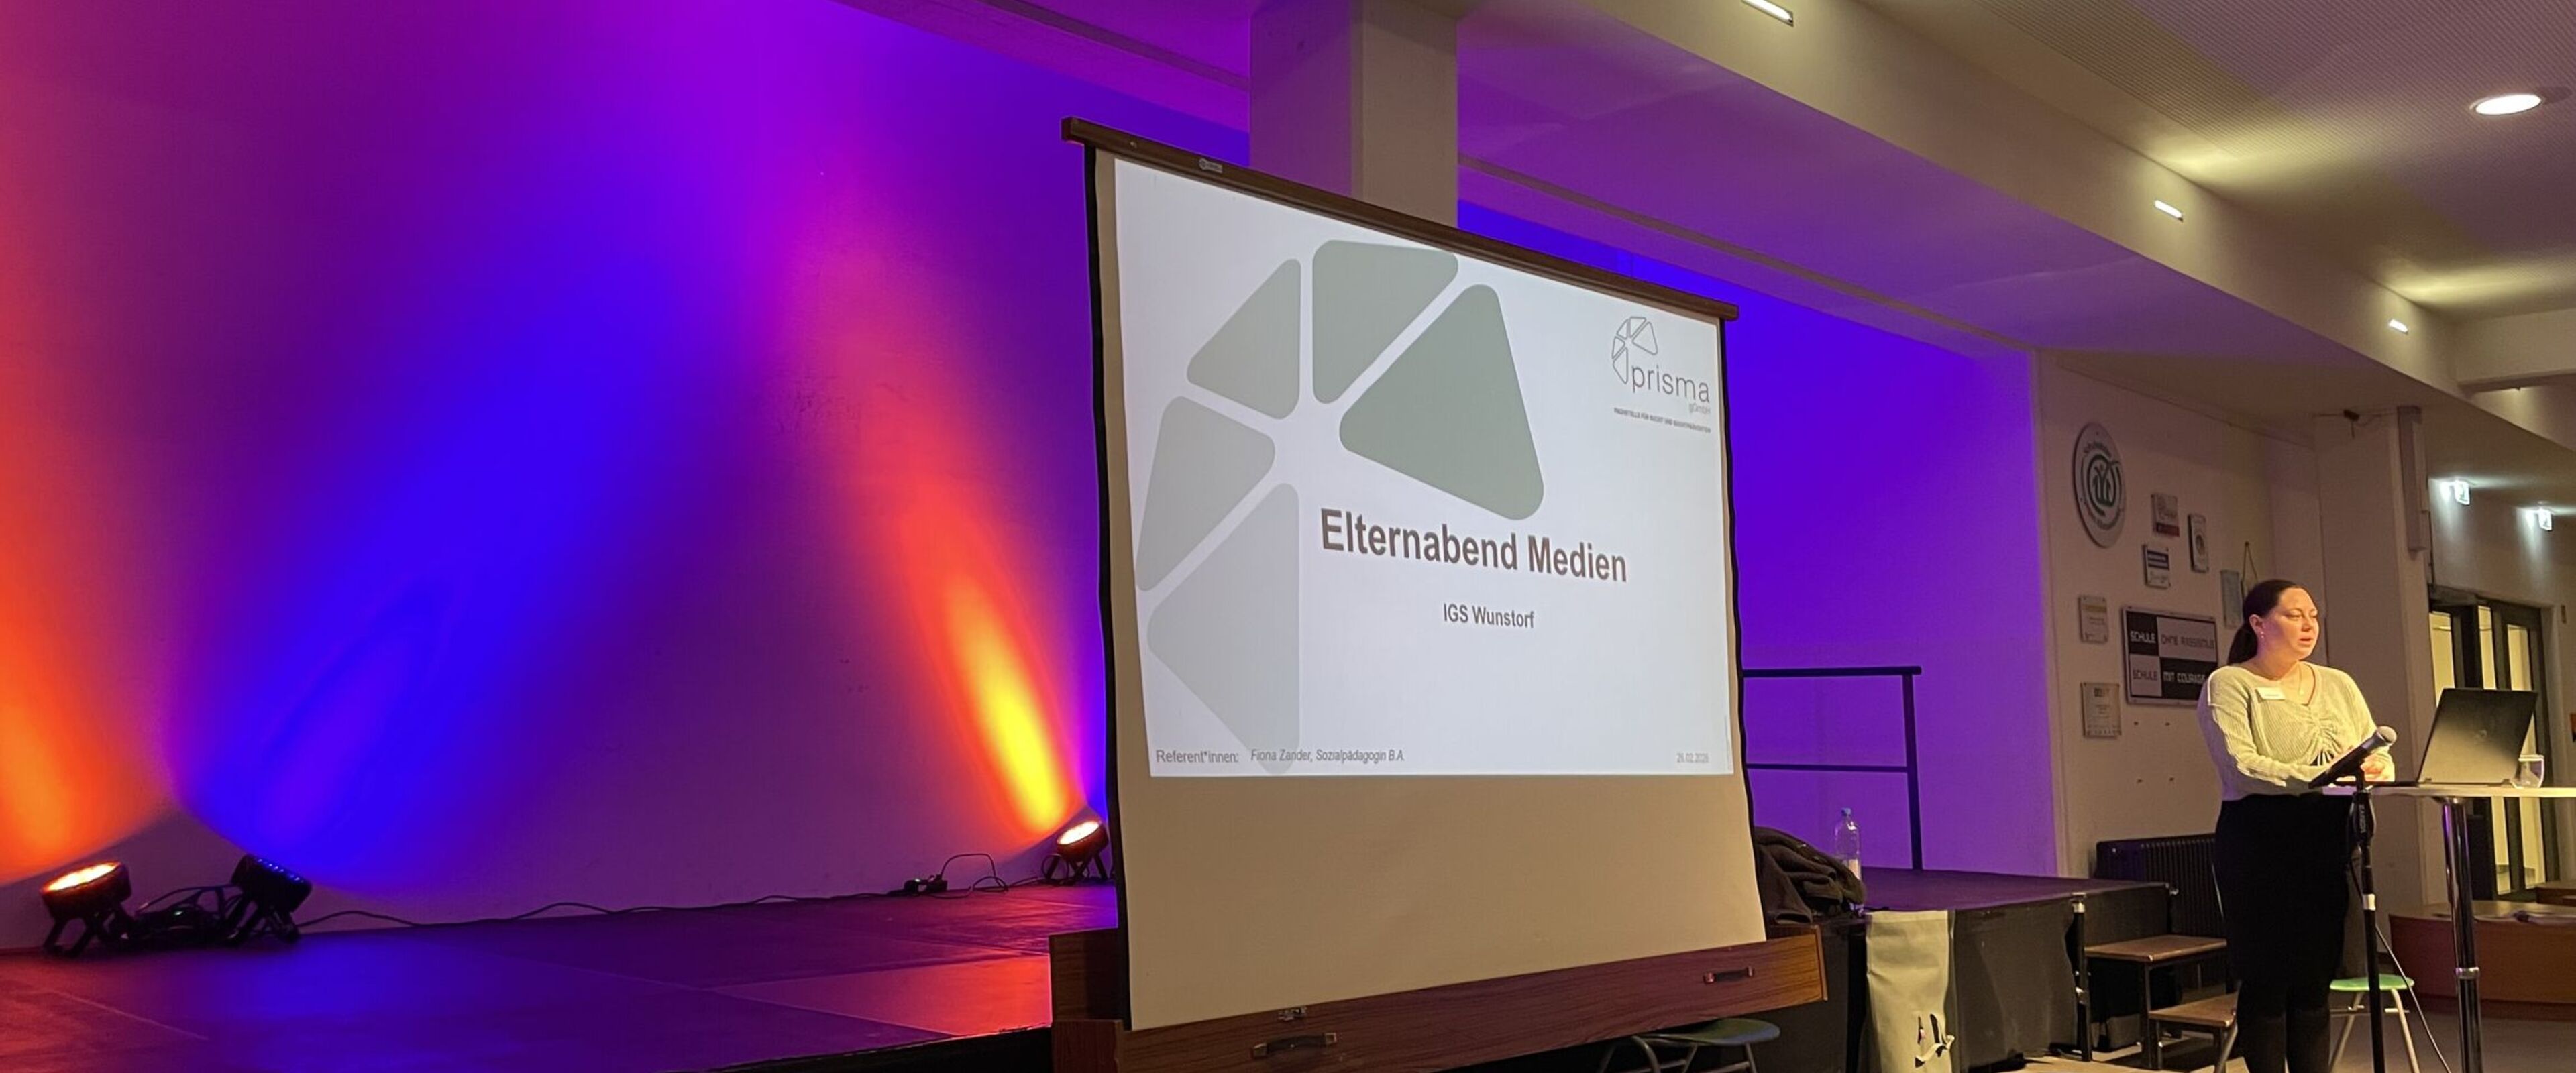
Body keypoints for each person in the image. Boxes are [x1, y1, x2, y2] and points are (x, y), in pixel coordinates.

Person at [2197, 579, 2390, 1073]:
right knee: (2267, 981)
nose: (2308, 626)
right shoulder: (2230, 683)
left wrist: (2375, 768)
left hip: (2328, 840)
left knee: (2314, 983)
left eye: (2314, 616)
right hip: (2260, 841)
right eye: (2294, 615)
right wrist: (2320, 777)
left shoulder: (2338, 683)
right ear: (2259, 624)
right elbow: (2241, 765)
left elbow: (2376, 750)